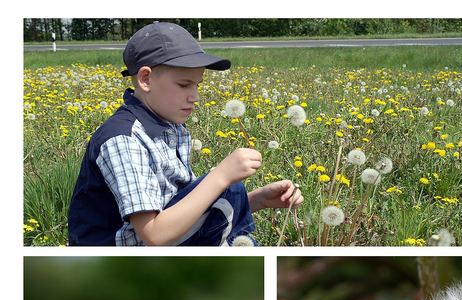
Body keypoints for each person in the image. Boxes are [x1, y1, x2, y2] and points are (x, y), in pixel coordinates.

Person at [68, 22, 302, 246]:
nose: (195, 96)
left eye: (197, 85)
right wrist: (221, 176)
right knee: (225, 186)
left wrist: (256, 200)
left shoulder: (169, 127)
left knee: (231, 189)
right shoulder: (123, 140)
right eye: (184, 85)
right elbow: (155, 235)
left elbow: (182, 212)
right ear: (146, 79)